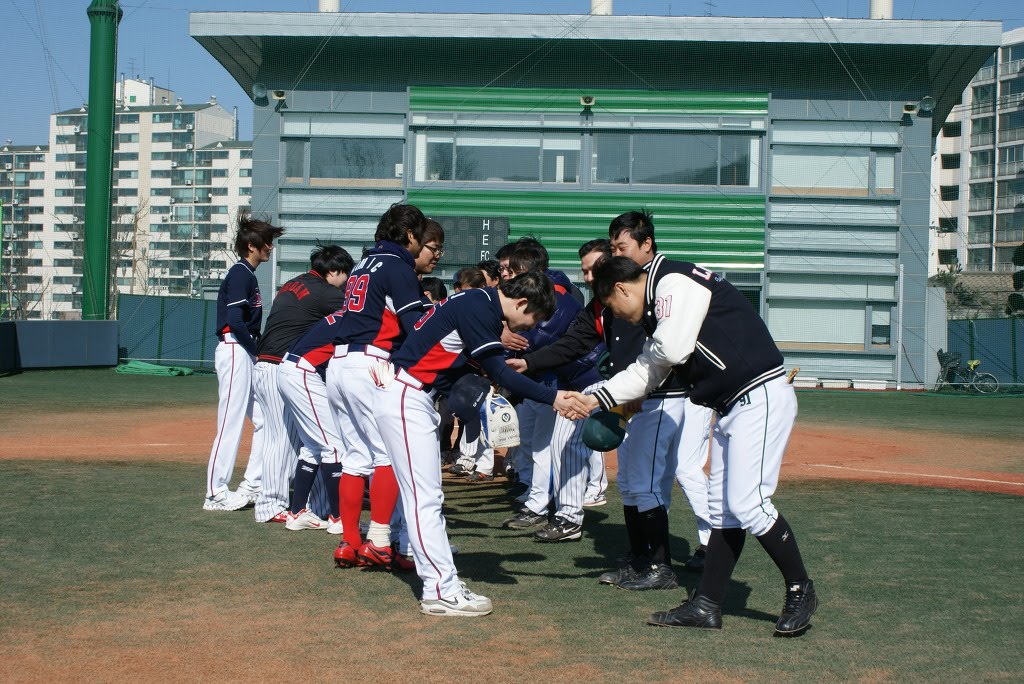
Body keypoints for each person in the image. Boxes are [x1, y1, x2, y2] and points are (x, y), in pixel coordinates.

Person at [567, 254, 818, 636]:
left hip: (760, 394)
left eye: (614, 308)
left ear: (621, 288)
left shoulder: (671, 279)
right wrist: (597, 397)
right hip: (731, 405)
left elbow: (670, 353)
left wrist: (635, 367)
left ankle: (801, 588)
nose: (618, 317)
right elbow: (648, 370)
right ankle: (707, 604)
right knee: (721, 511)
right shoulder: (659, 303)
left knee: (749, 503)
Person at [510, 212, 710, 584]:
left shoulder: (663, 286)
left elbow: (670, 352)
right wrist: (529, 361)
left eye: (618, 249)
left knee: (678, 471)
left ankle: (690, 550)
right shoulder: (609, 299)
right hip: (634, 395)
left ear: (644, 245)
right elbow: (574, 341)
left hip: (673, 395)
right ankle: (643, 558)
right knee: (638, 480)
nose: (590, 276)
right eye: (586, 270)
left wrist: (622, 394)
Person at [374, 272, 577, 616]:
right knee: (426, 498)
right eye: (532, 319)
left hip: (409, 393)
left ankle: (423, 562)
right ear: (522, 302)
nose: (529, 327)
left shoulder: (478, 302)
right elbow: (501, 373)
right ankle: (440, 590)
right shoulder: (480, 307)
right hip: (407, 397)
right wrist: (553, 397)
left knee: (423, 497)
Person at [329, 203, 428, 569]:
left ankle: (349, 542)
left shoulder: (362, 263)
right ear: (410, 235)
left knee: (355, 458)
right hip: (370, 361)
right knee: (386, 454)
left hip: (339, 363)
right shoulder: (398, 265)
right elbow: (414, 322)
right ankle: (380, 541)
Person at [251, 244, 353, 527]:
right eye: (345, 273)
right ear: (332, 271)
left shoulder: (295, 282)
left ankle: (314, 506)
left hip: (269, 364)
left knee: (307, 439)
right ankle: (271, 505)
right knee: (282, 439)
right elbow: (358, 313)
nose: (346, 281)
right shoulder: (327, 293)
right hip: (278, 365)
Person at [204, 215, 283, 512]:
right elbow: (236, 321)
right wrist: (257, 351)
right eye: (267, 242)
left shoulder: (248, 275)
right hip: (236, 349)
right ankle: (215, 493)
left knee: (264, 419)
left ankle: (252, 484)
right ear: (252, 246)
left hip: (245, 349)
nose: (270, 248)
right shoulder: (240, 274)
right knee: (230, 421)